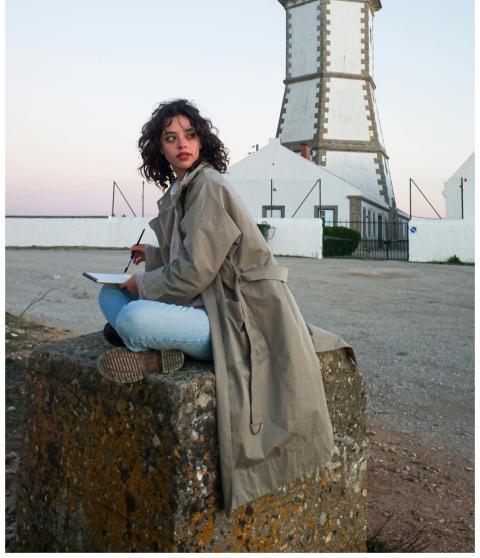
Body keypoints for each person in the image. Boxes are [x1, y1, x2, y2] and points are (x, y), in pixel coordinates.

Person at [97, 98, 346, 515]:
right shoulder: (184, 190)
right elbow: (194, 259)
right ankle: (163, 352)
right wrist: (155, 255)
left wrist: (143, 283)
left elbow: (195, 275)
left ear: (202, 140)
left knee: (133, 316)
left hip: (235, 319)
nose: (182, 144)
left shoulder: (208, 185)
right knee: (108, 295)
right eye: (171, 138)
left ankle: (157, 349)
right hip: (204, 306)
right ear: (159, 148)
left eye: (190, 135)